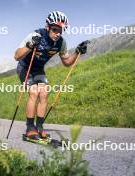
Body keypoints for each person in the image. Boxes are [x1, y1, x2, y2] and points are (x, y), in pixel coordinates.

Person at [14, 11, 88, 140]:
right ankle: (30, 128)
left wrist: (77, 52)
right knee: (34, 92)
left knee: (44, 93)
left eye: (61, 30)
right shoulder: (35, 35)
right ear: (48, 27)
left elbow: (67, 63)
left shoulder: (61, 43)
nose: (58, 33)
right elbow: (16, 56)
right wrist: (30, 45)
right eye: (55, 29)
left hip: (38, 70)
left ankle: (39, 127)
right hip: (25, 67)